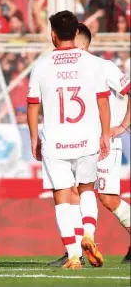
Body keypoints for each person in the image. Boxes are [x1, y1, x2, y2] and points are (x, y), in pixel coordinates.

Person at [27, 11, 111, 269]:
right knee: (86, 188)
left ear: (53, 34)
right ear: (76, 33)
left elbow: (32, 106)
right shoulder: (93, 62)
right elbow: (102, 101)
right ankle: (88, 233)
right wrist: (105, 133)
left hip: (55, 139)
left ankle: (73, 255)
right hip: (87, 138)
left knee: (62, 195)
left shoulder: (41, 64)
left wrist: (33, 139)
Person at [49, 23, 131, 266]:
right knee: (72, 192)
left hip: (104, 144)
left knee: (108, 198)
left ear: (81, 44)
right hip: (76, 143)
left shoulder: (103, 67)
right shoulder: (65, 70)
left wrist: (123, 126)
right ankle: (75, 251)